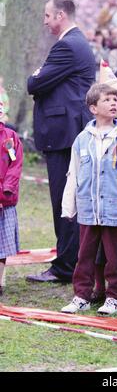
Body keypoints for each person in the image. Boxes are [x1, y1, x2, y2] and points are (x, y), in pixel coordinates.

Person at [27, 0, 96, 283]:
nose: (44, 21)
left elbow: (35, 83)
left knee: (64, 200)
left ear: (61, 15)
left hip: (64, 133)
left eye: (47, 15)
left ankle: (65, 267)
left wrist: (36, 76)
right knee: (69, 199)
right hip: (69, 132)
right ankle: (70, 262)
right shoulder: (75, 43)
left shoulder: (67, 46)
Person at [61, 82, 117, 315]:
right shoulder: (82, 140)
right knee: (84, 255)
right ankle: (81, 296)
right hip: (89, 208)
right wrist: (69, 206)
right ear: (93, 108)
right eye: (107, 99)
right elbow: (73, 174)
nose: (114, 103)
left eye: (116, 99)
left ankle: (114, 297)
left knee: (115, 256)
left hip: (115, 208)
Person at [0, 101, 23, 296]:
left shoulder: (11, 138)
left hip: (4, 201)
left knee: (2, 245)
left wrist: (6, 190)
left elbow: (15, 167)